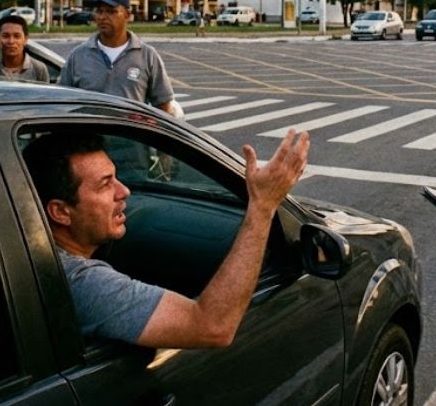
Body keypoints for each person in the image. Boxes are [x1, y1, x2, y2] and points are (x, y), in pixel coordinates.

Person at [22, 128, 309, 347]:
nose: (124, 192)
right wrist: (262, 206)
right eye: (105, 184)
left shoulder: (23, 256)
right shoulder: (81, 284)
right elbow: (212, 326)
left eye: (117, 177)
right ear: (60, 211)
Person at [60, 0, 177, 115]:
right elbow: (63, 102)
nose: (102, 17)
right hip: (89, 134)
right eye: (99, 11)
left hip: (130, 134)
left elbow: (163, 107)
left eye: (111, 11)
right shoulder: (78, 56)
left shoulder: (147, 56)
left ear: (127, 15)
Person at [0, 13, 50, 82]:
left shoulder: (38, 68)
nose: (11, 41)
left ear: (25, 39)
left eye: (17, 36)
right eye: (5, 36)